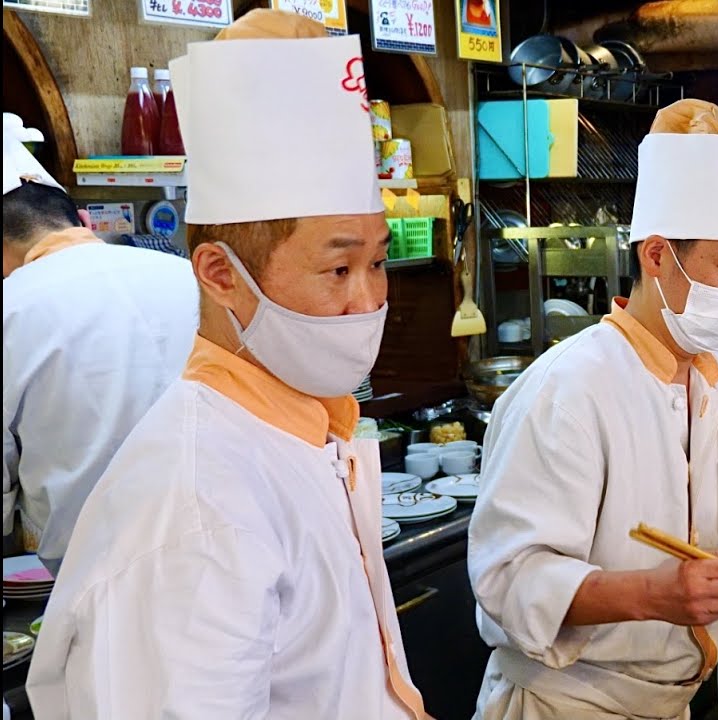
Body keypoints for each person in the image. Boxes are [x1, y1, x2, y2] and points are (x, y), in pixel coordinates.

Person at [26, 12, 429, 720]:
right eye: (337, 268)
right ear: (220, 273)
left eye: (377, 261)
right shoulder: (194, 507)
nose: (368, 300)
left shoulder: (306, 432)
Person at [468, 99, 718, 720]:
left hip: (673, 701)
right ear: (658, 255)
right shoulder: (569, 389)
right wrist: (653, 594)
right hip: (565, 705)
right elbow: (509, 579)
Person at [2, 115, 198, 575]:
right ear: (84, 220)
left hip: (99, 581)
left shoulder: (10, 308)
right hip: (234, 554)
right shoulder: (189, 277)